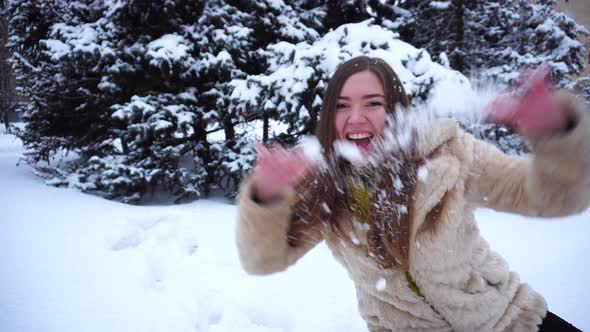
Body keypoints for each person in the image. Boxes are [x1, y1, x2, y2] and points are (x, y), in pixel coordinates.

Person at [235, 56, 589, 332]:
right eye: (342, 105)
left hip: (505, 321)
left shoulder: (448, 154)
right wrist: (266, 197)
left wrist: (557, 131)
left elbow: (552, 196)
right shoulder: (327, 187)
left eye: (373, 103)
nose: (355, 117)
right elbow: (262, 260)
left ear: (394, 109)